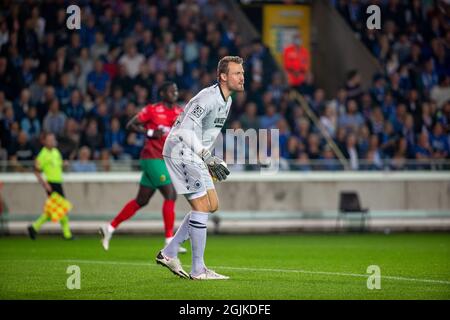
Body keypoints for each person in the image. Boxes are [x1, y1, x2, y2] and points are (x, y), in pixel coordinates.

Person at [155, 56, 244, 280]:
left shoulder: (228, 101)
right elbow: (185, 131)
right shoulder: (207, 97)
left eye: (242, 73)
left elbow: (205, 134)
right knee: (201, 207)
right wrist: (206, 155)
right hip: (181, 150)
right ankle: (198, 269)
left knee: (211, 205)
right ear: (223, 76)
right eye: (237, 73)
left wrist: (207, 159)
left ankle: (169, 252)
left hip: (196, 154)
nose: (242, 77)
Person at [99, 82, 186, 252]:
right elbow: (130, 124)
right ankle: (169, 241)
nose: (174, 93)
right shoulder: (152, 110)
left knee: (141, 201)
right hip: (151, 158)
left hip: (164, 160)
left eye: (176, 90)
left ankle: (109, 228)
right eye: (171, 90)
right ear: (162, 93)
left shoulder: (179, 113)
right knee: (170, 194)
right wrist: (151, 133)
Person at [27, 132, 73, 240]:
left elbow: (59, 165)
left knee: (54, 209)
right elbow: (37, 172)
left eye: (53, 139)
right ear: (44, 141)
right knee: (62, 208)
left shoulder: (56, 152)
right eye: (50, 140)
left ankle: (34, 227)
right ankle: (67, 234)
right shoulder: (42, 155)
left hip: (58, 183)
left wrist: (64, 164)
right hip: (51, 184)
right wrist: (45, 184)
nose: (53, 141)